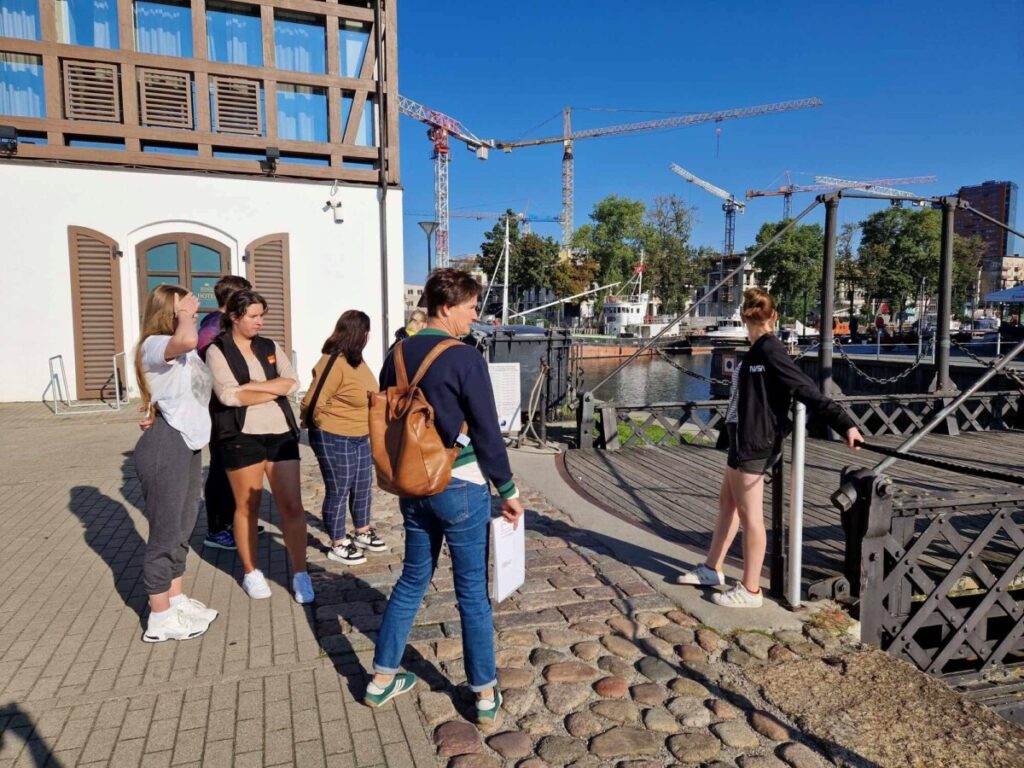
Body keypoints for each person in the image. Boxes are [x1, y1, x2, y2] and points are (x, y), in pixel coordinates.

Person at [363, 269, 523, 727]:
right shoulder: (464, 357)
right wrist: (508, 489)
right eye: (471, 308)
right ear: (447, 307)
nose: (476, 316)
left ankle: (381, 678)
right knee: (471, 591)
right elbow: (487, 430)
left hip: (413, 482)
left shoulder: (395, 353)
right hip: (459, 482)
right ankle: (484, 692)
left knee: (413, 579)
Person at [676, 288, 863, 608]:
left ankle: (751, 590)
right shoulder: (759, 350)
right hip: (743, 439)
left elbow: (805, 389)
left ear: (743, 317)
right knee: (728, 504)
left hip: (755, 442)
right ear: (774, 316)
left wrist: (844, 423)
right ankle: (711, 568)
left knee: (751, 517)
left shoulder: (770, 350)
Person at [205, 289, 313, 603]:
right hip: (241, 436)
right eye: (252, 316)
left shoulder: (269, 346)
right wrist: (273, 389)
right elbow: (228, 396)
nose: (259, 322)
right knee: (247, 507)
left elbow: (292, 382)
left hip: (281, 432)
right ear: (234, 317)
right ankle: (251, 571)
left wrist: (253, 388)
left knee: (292, 506)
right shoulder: (217, 350)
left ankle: (301, 572)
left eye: (261, 315)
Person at [133, 285, 218, 642]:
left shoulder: (183, 350)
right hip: (166, 445)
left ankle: (176, 599)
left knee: (183, 528)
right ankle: (160, 618)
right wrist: (185, 317)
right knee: (165, 534)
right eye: (184, 309)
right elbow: (185, 339)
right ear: (168, 313)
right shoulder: (154, 344)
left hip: (188, 442)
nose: (192, 313)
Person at [301, 310, 384, 566]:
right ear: (359, 334)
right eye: (367, 332)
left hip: (359, 435)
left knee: (362, 485)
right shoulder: (333, 362)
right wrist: (321, 425)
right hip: (334, 435)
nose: (368, 337)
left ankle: (362, 531)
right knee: (339, 488)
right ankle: (337, 542)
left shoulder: (357, 360)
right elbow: (312, 401)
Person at [197, 274, 256, 551]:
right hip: (219, 409)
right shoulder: (211, 327)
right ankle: (216, 529)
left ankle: (234, 521)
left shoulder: (224, 323)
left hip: (235, 406)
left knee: (236, 464)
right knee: (221, 469)